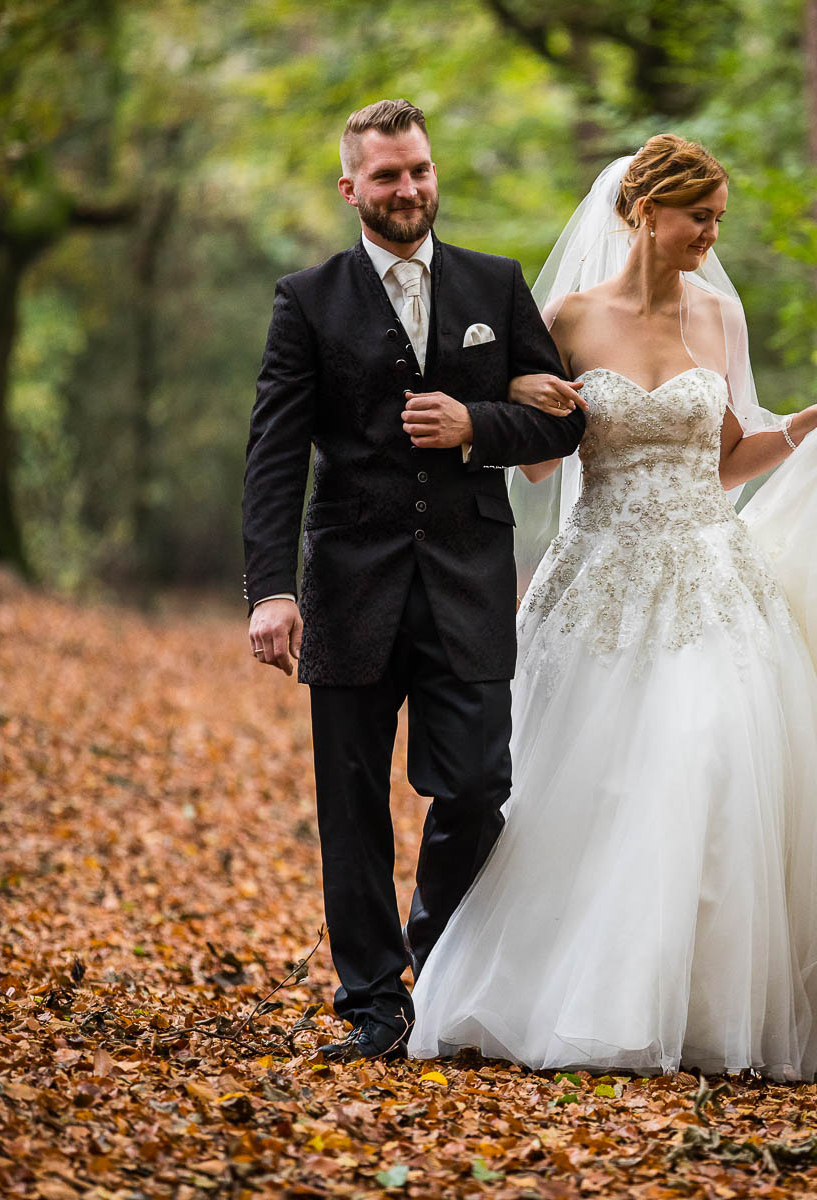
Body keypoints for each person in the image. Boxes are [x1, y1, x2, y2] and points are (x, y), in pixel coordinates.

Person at [406, 135, 817, 1079]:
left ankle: (703, 1008)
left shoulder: (717, 316)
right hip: (602, 581)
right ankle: (586, 1000)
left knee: (710, 764)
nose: (711, 235)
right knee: (596, 789)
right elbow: (538, 459)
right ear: (649, 211)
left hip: (710, 578)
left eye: (719, 220)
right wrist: (534, 393)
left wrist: (809, 423)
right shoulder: (567, 314)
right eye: (702, 217)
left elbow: (729, 458)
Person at [241, 99, 586, 1063]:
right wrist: (270, 589)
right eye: (388, 176)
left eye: (421, 171)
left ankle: (437, 961)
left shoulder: (495, 283)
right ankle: (371, 1004)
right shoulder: (307, 300)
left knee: (479, 781)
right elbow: (274, 455)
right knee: (351, 805)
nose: (409, 189)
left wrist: (478, 425)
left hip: (469, 581)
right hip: (349, 582)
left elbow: (564, 422)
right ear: (352, 188)